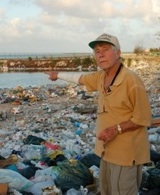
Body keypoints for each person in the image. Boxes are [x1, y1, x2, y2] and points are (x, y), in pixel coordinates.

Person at [45, 33, 152, 195]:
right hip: (107, 151)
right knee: (106, 190)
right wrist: (57, 75)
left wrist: (116, 129)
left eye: (105, 49)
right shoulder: (101, 77)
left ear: (118, 53)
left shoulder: (131, 80)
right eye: (97, 51)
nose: (100, 54)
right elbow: (80, 78)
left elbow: (143, 118)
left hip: (126, 153)